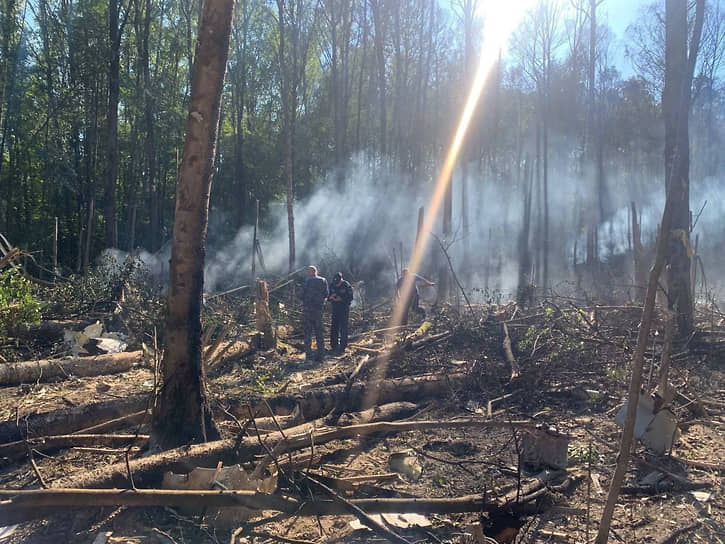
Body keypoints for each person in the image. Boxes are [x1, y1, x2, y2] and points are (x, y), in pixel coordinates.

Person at [301, 265, 328, 361]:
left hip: (308, 310)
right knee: (319, 332)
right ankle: (321, 354)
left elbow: (301, 294)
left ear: (311, 272)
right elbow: (326, 294)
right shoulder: (323, 280)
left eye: (308, 271)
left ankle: (309, 355)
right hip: (318, 310)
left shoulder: (307, 281)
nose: (307, 273)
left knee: (308, 332)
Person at [328, 272, 353, 354]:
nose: (337, 285)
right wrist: (330, 298)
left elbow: (350, 297)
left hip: (344, 309)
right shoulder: (332, 285)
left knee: (343, 328)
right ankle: (334, 345)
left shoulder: (346, 285)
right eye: (336, 283)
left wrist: (341, 299)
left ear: (341, 279)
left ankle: (342, 347)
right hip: (335, 309)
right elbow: (327, 295)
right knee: (334, 327)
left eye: (338, 283)